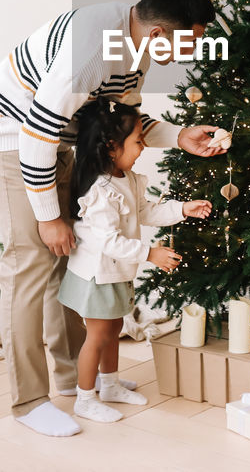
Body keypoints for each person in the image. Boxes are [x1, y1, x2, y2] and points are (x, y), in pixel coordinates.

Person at [0, 0, 225, 437]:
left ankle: (74, 380)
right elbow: (36, 134)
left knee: (69, 258)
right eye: (193, 39)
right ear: (159, 33)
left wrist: (178, 136)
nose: (196, 48)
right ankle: (28, 402)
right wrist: (49, 217)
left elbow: (117, 119)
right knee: (31, 262)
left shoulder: (138, 42)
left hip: (59, 140)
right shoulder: (91, 54)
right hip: (12, 137)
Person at [60, 98, 212, 423]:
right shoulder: (100, 191)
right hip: (97, 275)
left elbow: (145, 211)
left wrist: (182, 209)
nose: (143, 148)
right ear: (112, 147)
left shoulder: (125, 177)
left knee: (114, 329)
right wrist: (150, 254)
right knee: (98, 336)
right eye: (138, 142)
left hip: (114, 272)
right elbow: (109, 241)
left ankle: (110, 384)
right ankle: (85, 398)